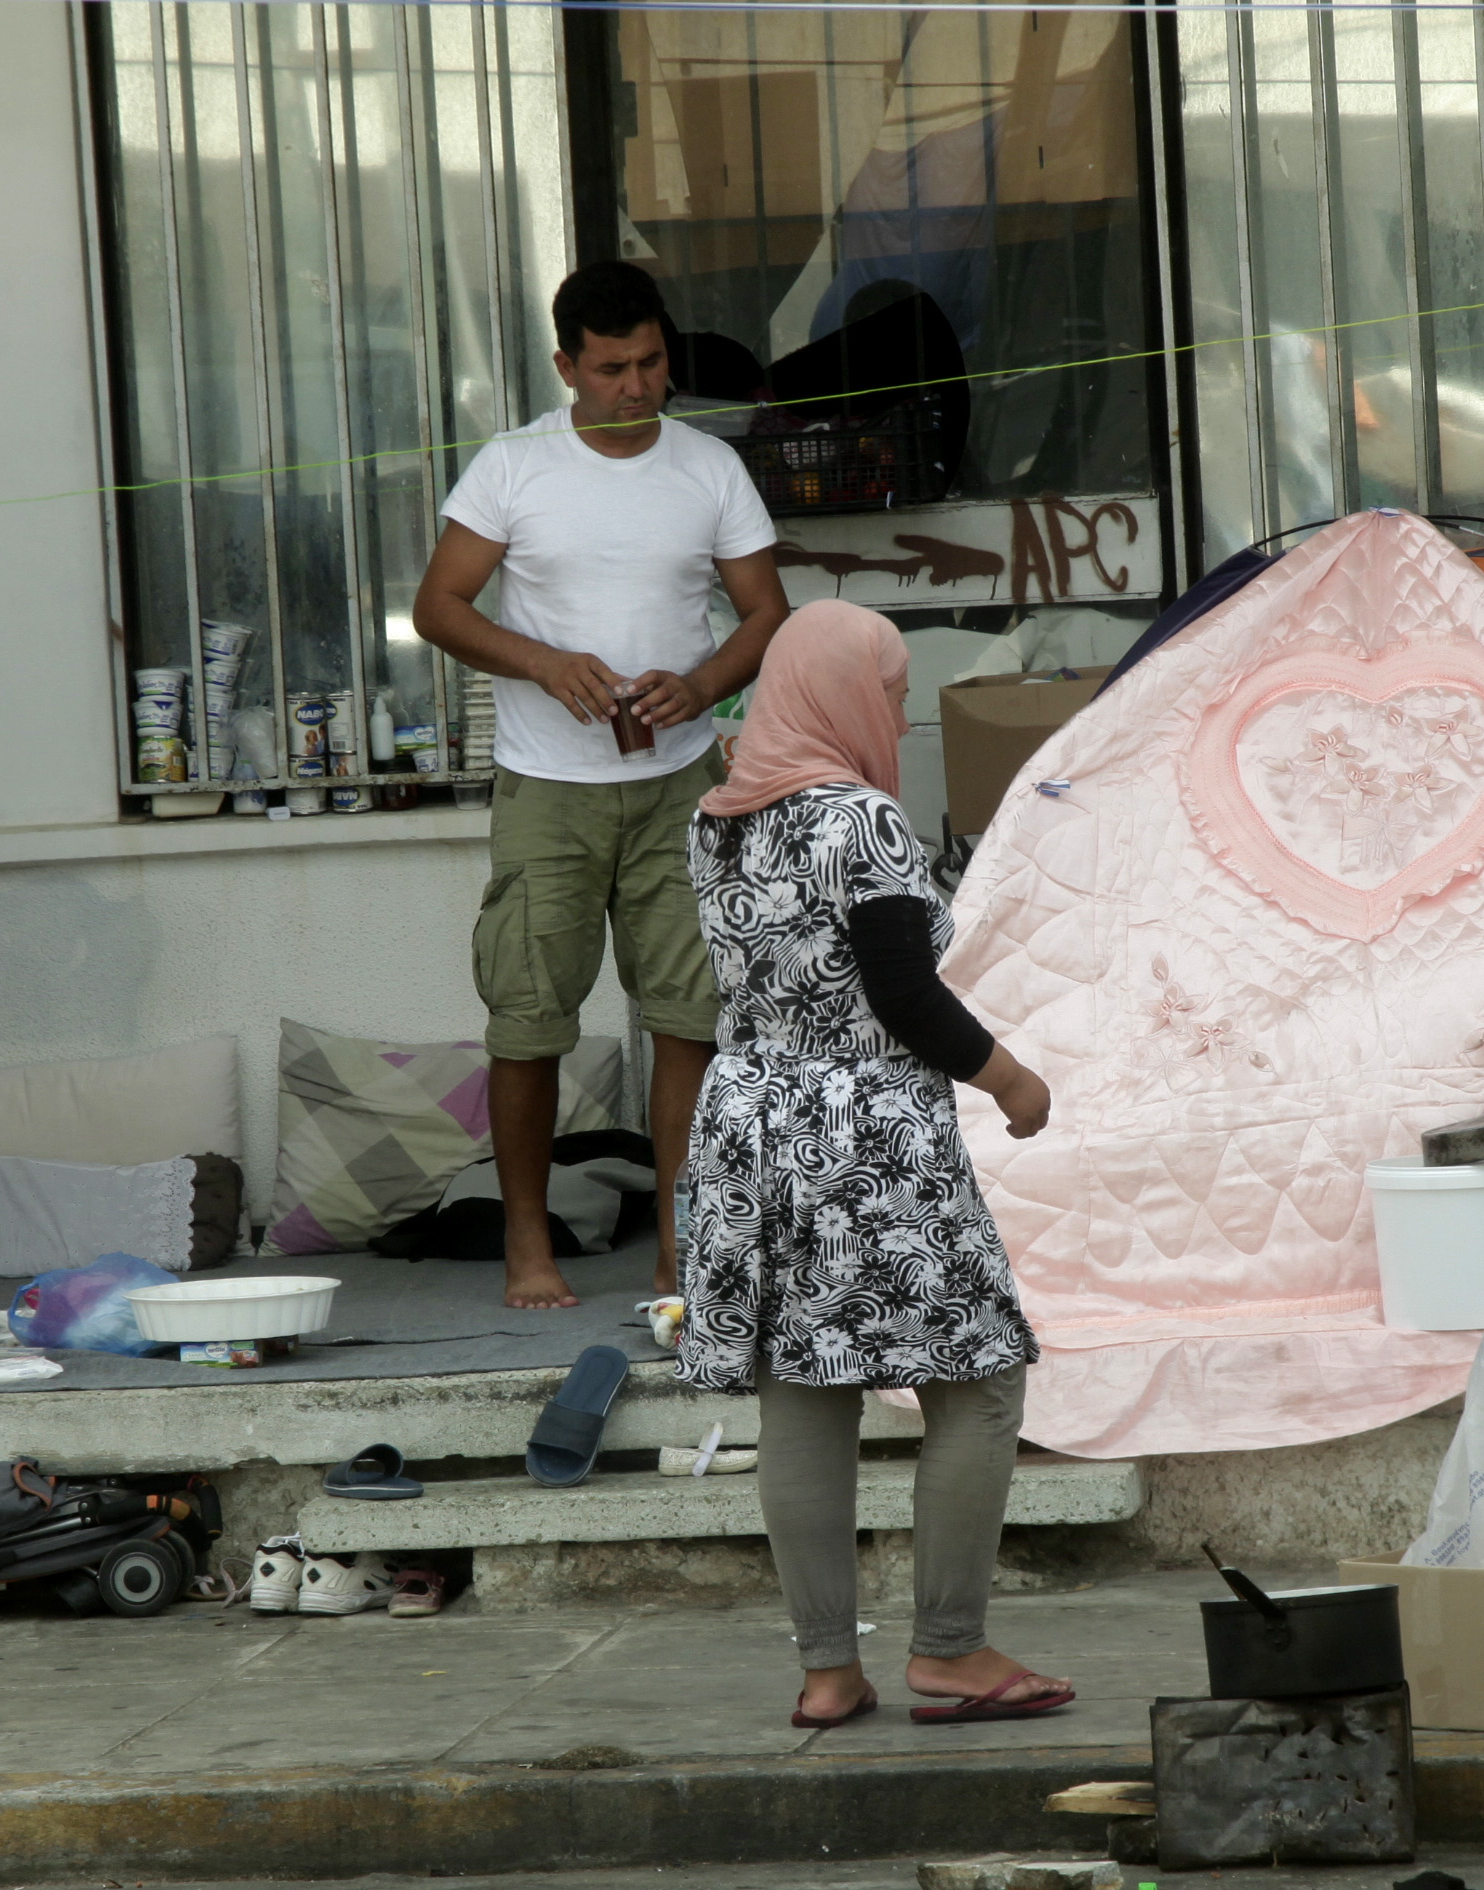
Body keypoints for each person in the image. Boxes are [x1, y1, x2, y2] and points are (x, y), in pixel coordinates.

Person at [672, 599, 1069, 1730]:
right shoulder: (863, 822)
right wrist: (1010, 1078)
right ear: (841, 693)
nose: (896, 708)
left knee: (803, 1387)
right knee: (981, 1380)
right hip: (866, 1135)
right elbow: (903, 995)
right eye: (891, 691)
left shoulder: (718, 819)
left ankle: (827, 1670)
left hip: (752, 1122)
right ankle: (951, 1649)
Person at [413, 263, 790, 1309]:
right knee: (529, 1021)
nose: (640, 387)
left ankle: (681, 1255)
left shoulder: (709, 466)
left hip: (681, 785)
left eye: (654, 363)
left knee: (691, 1017)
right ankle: (527, 1249)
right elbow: (439, 605)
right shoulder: (513, 466)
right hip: (549, 788)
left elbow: (766, 612)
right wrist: (544, 662)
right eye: (615, 368)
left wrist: (704, 683)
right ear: (566, 367)